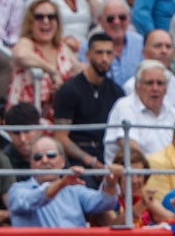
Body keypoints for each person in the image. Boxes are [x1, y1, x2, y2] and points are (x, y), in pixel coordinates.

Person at [7, 136, 124, 226]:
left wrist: (110, 182)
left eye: (51, 155)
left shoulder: (74, 189)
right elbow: (33, 200)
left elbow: (105, 203)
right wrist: (62, 183)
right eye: (38, 157)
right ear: (31, 164)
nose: (44, 160)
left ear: (62, 161)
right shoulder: (17, 190)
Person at [53, 33, 126, 176]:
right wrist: (92, 163)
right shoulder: (69, 90)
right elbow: (61, 137)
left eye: (109, 53)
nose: (104, 58)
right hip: (77, 162)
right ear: (88, 55)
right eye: (99, 52)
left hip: (108, 157)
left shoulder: (117, 92)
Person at [104, 59, 175, 163]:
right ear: (137, 86)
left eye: (160, 83)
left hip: (169, 174)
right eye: (149, 83)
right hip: (135, 173)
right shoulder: (124, 106)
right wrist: (159, 169)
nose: (155, 88)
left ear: (166, 88)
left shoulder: (174, 114)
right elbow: (131, 149)